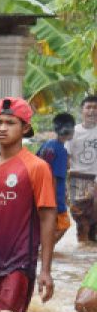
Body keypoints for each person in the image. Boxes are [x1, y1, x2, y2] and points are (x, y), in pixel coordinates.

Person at [0, 96, 57, 312]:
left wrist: (46, 270)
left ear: (25, 128)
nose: (3, 128)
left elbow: (48, 217)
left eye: (10, 123)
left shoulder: (37, 167)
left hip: (19, 265)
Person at [37, 112, 74, 244]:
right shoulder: (61, 151)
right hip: (53, 196)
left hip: (40, 194)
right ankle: (46, 250)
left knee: (45, 225)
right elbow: (55, 177)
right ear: (70, 130)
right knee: (64, 225)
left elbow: (36, 163)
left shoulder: (46, 145)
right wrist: (55, 201)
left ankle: (40, 249)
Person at [68, 95, 97, 242]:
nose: (92, 111)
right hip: (77, 178)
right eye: (89, 107)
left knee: (94, 221)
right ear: (82, 110)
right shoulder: (73, 132)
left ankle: (89, 254)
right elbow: (66, 157)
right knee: (81, 220)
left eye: (95, 107)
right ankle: (83, 250)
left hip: (96, 178)